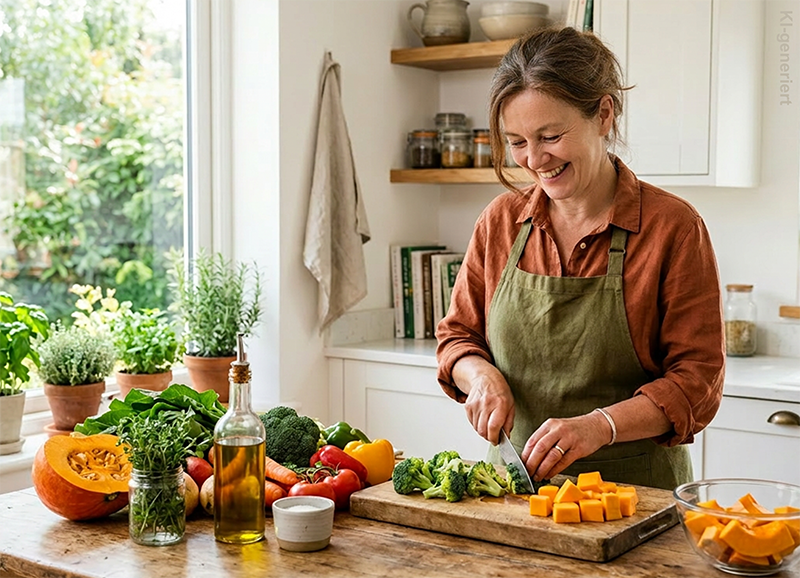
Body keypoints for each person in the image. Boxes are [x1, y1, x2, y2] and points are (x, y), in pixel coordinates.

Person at [435, 26, 725, 490]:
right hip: (511, 489)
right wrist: (481, 375)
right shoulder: (500, 222)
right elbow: (457, 337)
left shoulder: (674, 227)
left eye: (550, 135)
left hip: (634, 496)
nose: (534, 159)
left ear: (604, 114)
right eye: (517, 142)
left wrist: (600, 426)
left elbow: (697, 381)